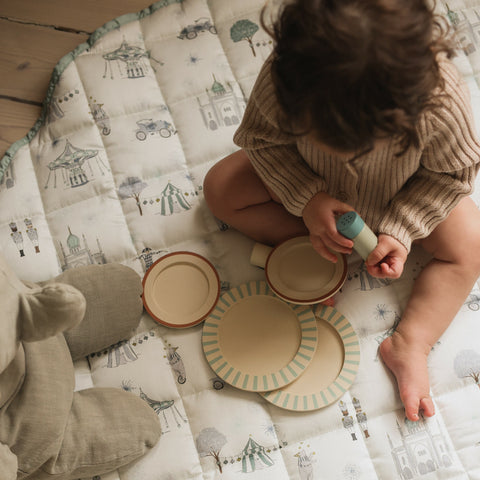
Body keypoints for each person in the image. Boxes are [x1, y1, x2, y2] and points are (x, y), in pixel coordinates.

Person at [203, 0, 480, 422]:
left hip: (403, 193)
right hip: (310, 181)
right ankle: (313, 252)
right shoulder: (285, 78)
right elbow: (262, 141)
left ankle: (411, 342)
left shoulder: (438, 101)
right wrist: (308, 199)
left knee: (472, 246)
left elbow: (452, 175)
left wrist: (402, 228)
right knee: (220, 188)